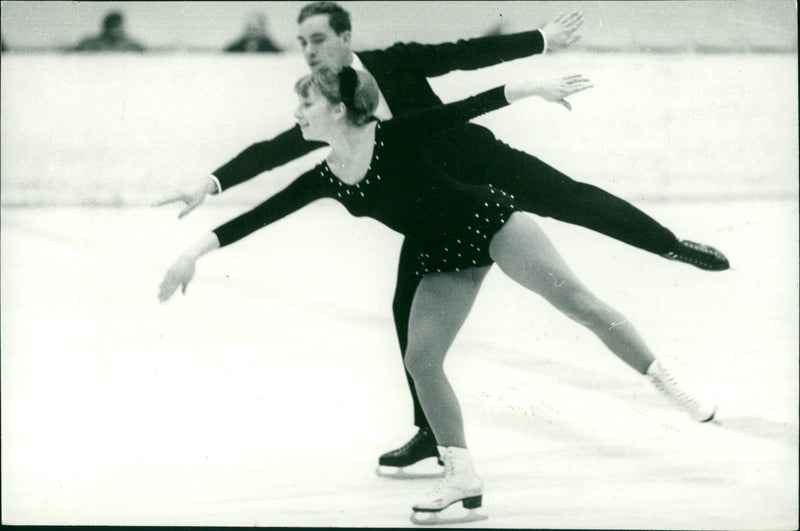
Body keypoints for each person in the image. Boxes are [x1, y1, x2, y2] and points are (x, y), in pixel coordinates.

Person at [154, 1, 728, 479]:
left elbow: (463, 58)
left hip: (472, 167)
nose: (308, 49)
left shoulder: (391, 67)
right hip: (426, 210)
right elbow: (277, 153)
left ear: (346, 37)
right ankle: (433, 436)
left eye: (318, 38)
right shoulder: (326, 112)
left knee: (573, 201)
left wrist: (540, 42)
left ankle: (670, 244)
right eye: (301, 41)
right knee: (409, 320)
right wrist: (210, 181)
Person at [73, 11, 145, 52]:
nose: (117, 30)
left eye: (119, 26)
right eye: (113, 26)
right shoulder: (90, 44)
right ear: (106, 27)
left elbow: (148, 56)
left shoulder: (132, 46)